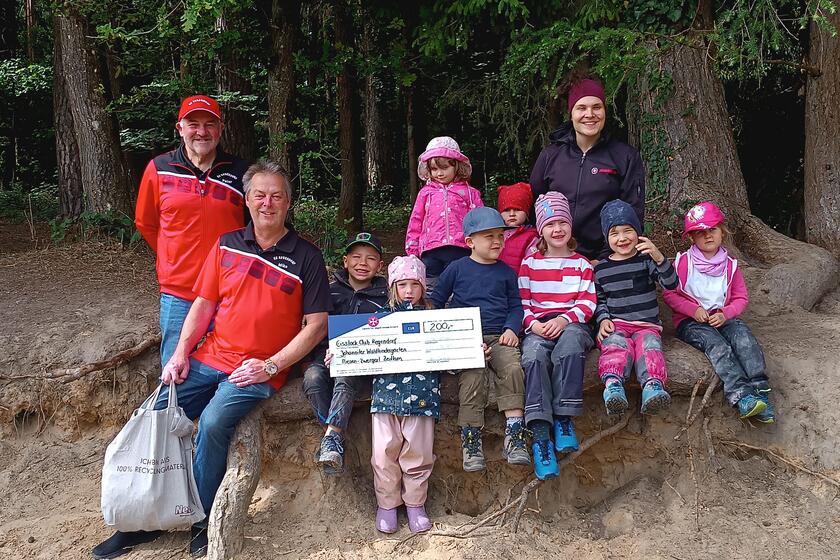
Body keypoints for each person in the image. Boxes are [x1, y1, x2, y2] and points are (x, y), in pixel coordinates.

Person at [92, 161, 330, 559]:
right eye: (259, 195)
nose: (267, 203)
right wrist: (180, 353)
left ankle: (200, 519)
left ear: (288, 202)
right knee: (157, 413)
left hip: (258, 367)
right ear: (247, 200)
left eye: (276, 196)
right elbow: (203, 303)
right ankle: (140, 522)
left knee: (216, 421)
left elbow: (316, 326)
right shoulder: (227, 244)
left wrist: (271, 365)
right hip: (211, 355)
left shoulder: (306, 256)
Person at [135, 95, 250, 367]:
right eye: (193, 124)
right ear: (180, 128)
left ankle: (213, 411)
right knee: (175, 367)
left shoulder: (240, 172)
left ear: (220, 130)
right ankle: (171, 411)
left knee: (226, 365)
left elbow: (254, 227)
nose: (202, 131)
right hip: (179, 291)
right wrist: (171, 257)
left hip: (229, 290)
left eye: (210, 124)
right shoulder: (159, 169)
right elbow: (145, 223)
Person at [429, 207, 530, 472]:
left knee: (512, 368)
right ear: (470, 242)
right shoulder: (456, 269)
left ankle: (515, 435)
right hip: (466, 337)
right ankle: (471, 441)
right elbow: (436, 301)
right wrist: (451, 336)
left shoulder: (507, 273)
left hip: (499, 337)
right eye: (489, 236)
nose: (497, 241)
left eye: (500, 235)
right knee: (473, 375)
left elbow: (516, 307)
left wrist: (511, 329)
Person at [663, 202, 775, 423]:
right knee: (718, 346)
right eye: (700, 233)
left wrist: (726, 313)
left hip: (722, 316)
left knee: (743, 338)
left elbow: (741, 297)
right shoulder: (684, 263)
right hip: (691, 322)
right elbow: (670, 294)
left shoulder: (730, 265)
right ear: (691, 237)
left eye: (712, 230)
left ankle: (760, 388)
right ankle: (741, 395)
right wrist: (693, 310)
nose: (707, 236)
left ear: (722, 231)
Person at [518, 192, 596, 480]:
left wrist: (565, 319)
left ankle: (563, 419)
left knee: (570, 347)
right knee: (534, 356)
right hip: (538, 326)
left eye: (563, 222)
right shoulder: (530, 264)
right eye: (550, 224)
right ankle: (541, 438)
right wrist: (532, 325)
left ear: (571, 227)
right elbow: (522, 303)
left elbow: (587, 302)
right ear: (541, 230)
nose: (558, 229)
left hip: (572, 324)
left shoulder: (582, 264)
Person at [529, 76, 646, 261]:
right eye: (581, 108)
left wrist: (605, 258)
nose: (590, 114)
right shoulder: (550, 155)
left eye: (597, 107)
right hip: (555, 258)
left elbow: (633, 212)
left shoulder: (625, 156)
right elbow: (534, 206)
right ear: (571, 113)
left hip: (604, 261)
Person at [303, 232, 388, 475]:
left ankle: (333, 436)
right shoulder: (327, 292)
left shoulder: (386, 299)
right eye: (356, 257)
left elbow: (387, 338)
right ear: (345, 261)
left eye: (371, 259)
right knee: (312, 379)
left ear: (380, 266)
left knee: (346, 374)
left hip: (362, 363)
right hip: (324, 358)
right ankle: (331, 435)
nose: (363, 263)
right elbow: (313, 327)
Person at [364, 256, 438, 534]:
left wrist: (469, 349)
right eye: (403, 284)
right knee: (384, 453)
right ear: (393, 286)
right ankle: (387, 504)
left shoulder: (435, 316)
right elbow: (359, 346)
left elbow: (449, 349)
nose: (409, 291)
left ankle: (416, 505)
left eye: (415, 285)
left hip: (422, 397)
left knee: (418, 454)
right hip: (384, 396)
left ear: (423, 287)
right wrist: (342, 353)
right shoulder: (378, 318)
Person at [594, 200, 678, 416]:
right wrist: (603, 320)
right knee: (615, 345)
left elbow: (671, 284)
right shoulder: (602, 269)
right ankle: (613, 386)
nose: (622, 238)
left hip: (646, 325)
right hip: (618, 324)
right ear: (607, 237)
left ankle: (652, 387)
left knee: (650, 346)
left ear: (638, 232)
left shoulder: (646, 261)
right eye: (614, 233)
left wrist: (659, 257)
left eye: (628, 231)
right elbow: (599, 300)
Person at [405, 136, 484, 282]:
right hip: (430, 251)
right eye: (434, 169)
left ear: (457, 166)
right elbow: (416, 220)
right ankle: (432, 305)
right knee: (431, 288)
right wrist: (412, 249)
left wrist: (480, 246)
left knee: (459, 285)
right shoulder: (426, 192)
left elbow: (479, 220)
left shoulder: (469, 193)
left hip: (460, 249)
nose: (439, 173)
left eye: (445, 168)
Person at [497, 182, 538, 272]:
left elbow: (531, 267)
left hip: (520, 283)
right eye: (506, 210)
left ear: (526, 213)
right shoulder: (495, 234)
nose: (512, 214)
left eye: (517, 209)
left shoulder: (531, 238)